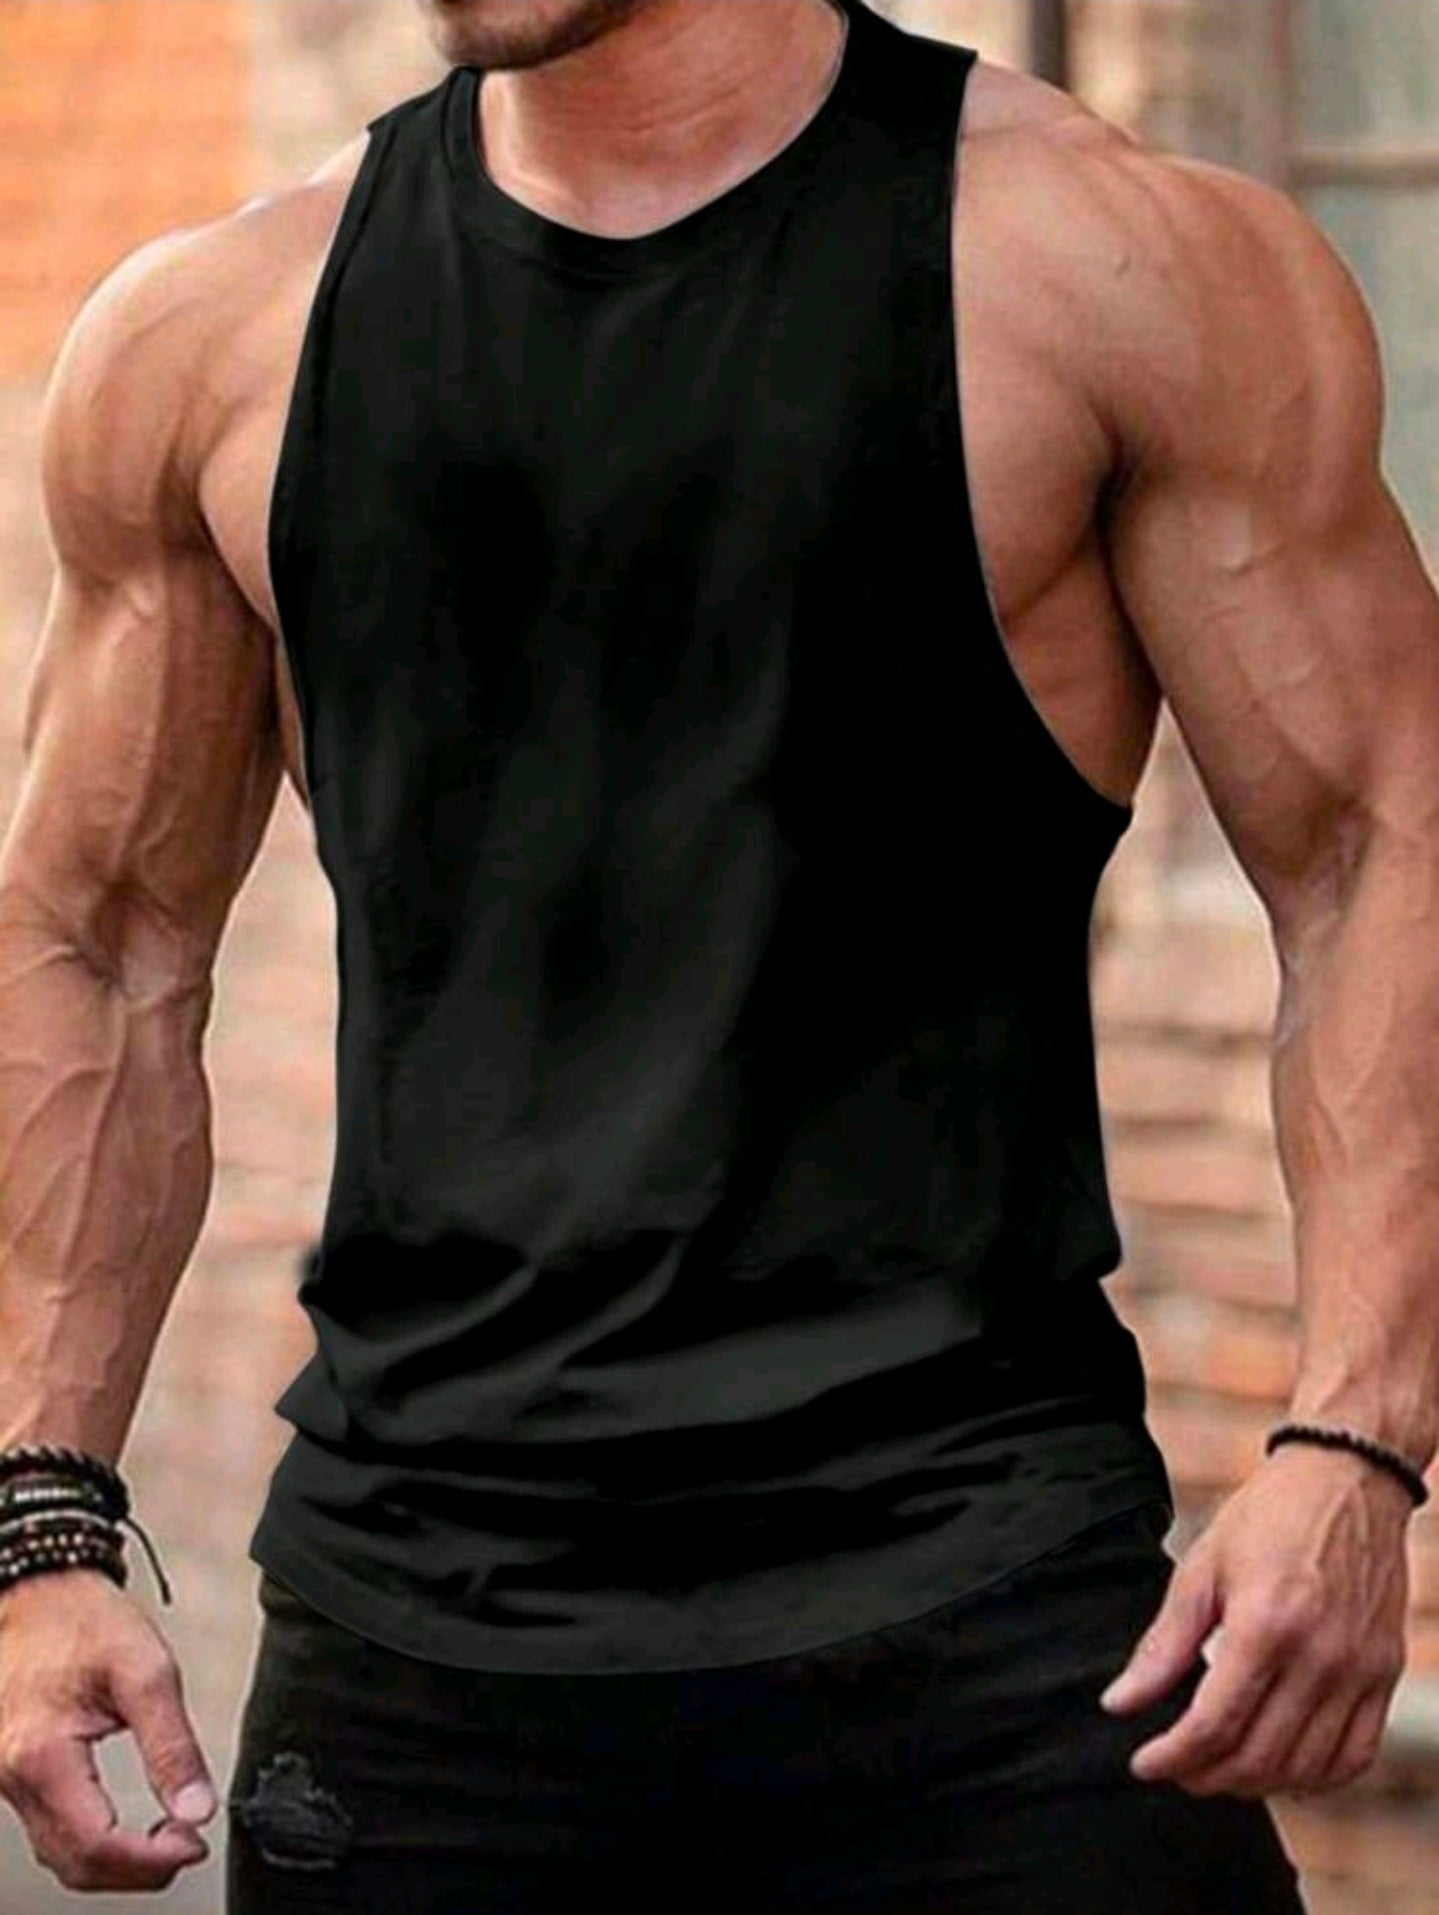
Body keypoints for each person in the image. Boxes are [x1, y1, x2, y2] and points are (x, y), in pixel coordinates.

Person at [0, 0, 1435, 1905]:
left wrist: (1355, 1445)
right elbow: (99, 943)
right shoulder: (215, 341)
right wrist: (39, 1518)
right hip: (421, 1677)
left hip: (991, 1641)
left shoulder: (1112, 273)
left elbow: (1377, 849)